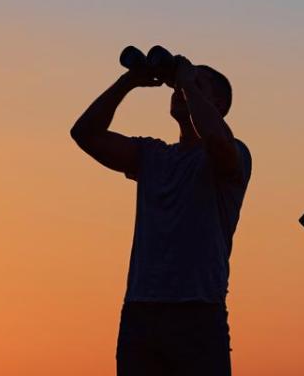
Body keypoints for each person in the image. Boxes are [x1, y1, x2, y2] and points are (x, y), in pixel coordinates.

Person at [71, 53, 252, 376]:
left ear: (219, 105)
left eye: (200, 84)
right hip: (141, 314)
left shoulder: (234, 153)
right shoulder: (152, 156)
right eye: (180, 87)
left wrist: (186, 81)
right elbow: (85, 134)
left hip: (198, 314)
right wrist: (128, 82)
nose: (180, 91)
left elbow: (215, 139)